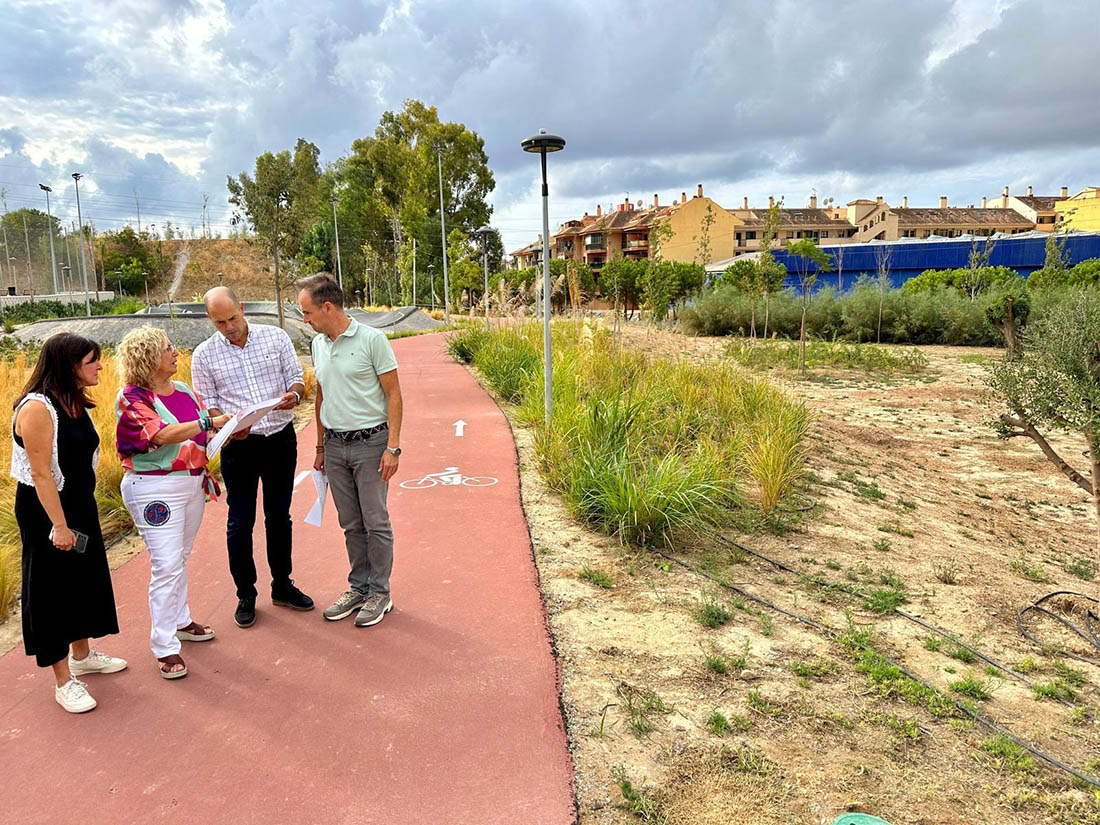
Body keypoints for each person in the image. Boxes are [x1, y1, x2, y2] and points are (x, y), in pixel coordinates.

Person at [11, 333, 125, 713]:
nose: (99, 367)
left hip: (78, 504)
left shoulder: (74, 401)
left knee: (82, 579)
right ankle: (63, 680)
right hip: (47, 510)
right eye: (93, 361)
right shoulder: (37, 409)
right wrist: (58, 526)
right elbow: (42, 475)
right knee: (51, 590)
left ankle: (82, 655)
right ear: (69, 365)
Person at [191, 287, 312, 628]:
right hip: (239, 446)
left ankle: (282, 585)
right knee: (240, 522)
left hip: (279, 439)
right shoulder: (203, 355)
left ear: (242, 308)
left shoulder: (275, 337)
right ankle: (246, 593)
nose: (229, 327)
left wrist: (294, 395)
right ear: (209, 320)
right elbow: (208, 402)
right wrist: (229, 423)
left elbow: (297, 379)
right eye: (219, 322)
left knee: (279, 516)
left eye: (232, 318)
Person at [115, 326, 229, 679]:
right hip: (154, 488)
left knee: (178, 558)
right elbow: (159, 435)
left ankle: (180, 621)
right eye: (167, 348)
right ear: (149, 357)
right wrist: (208, 421)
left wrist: (228, 428)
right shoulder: (132, 398)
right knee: (166, 564)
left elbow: (200, 431)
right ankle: (164, 646)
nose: (175, 351)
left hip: (191, 483)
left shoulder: (181, 390)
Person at [297, 274, 403, 627]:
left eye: (308, 312)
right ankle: (358, 587)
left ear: (327, 307)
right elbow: (322, 395)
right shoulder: (318, 345)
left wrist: (393, 448)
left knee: (376, 522)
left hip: (372, 444)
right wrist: (319, 446)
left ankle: (380, 593)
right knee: (350, 523)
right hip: (335, 445)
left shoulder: (372, 340)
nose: (305, 320)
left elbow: (394, 395)